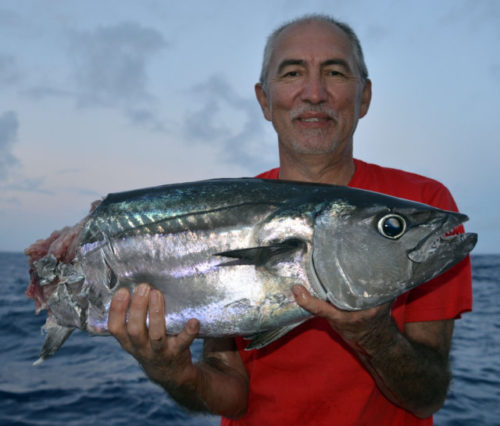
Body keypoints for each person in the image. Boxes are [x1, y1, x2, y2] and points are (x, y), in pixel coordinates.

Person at [107, 14, 472, 425]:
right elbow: (231, 394)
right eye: (293, 72)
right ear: (265, 100)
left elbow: (427, 396)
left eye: (334, 72)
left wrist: (376, 337)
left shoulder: (422, 203)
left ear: (363, 97)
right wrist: (174, 373)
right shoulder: (226, 213)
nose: (314, 93)